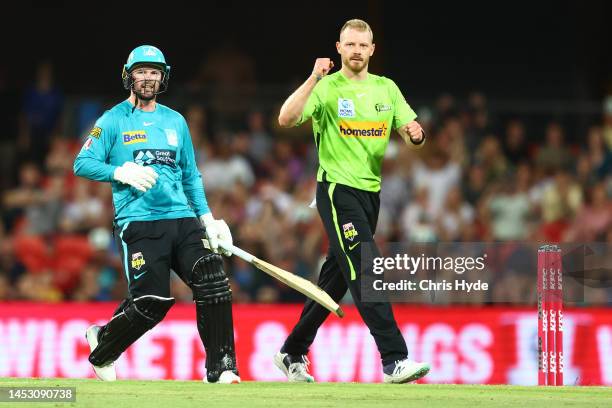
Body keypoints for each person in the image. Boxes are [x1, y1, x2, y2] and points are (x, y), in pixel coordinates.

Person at [274, 19, 431, 384]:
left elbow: (412, 134)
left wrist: (415, 133)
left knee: (337, 280)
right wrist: (313, 77)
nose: (357, 50)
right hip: (336, 191)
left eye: (363, 45)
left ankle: (292, 350)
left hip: (369, 195)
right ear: (339, 48)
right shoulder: (327, 88)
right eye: (350, 44)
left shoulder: (386, 89)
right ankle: (395, 359)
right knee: (366, 265)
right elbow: (286, 118)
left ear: (372, 49)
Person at [73, 45, 240, 384]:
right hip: (139, 221)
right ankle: (104, 344)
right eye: (141, 71)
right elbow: (82, 162)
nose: (147, 78)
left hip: (183, 218)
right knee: (152, 302)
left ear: (163, 77)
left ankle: (222, 368)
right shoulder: (112, 120)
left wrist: (208, 219)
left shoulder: (175, 120)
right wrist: (119, 171)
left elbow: (190, 175)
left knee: (214, 282)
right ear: (129, 75)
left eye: (154, 72)